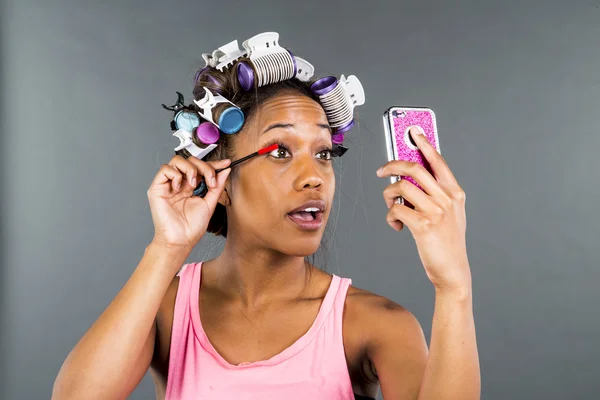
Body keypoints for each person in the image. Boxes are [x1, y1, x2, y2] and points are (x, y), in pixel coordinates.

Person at [52, 32, 480, 400]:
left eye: (324, 153)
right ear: (219, 175)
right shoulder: (165, 309)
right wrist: (167, 248)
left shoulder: (376, 324)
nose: (314, 177)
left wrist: (454, 288)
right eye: (280, 151)